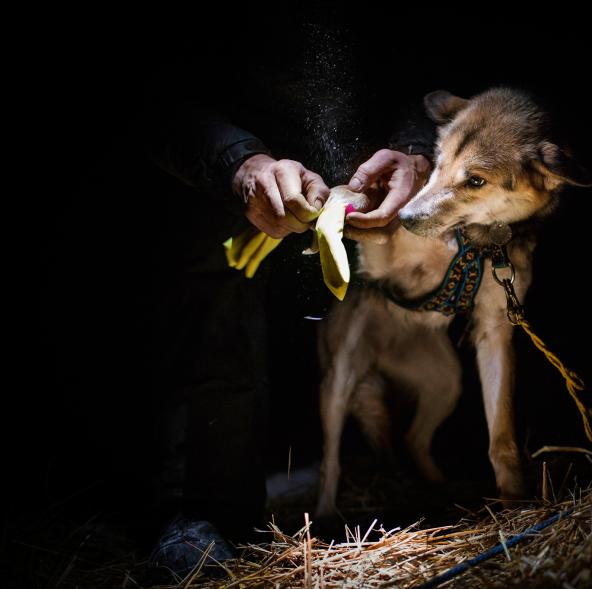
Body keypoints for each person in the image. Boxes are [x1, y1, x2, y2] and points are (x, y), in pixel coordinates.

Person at [142, 19, 435, 577]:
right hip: (232, 159)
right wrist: (240, 165)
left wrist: (416, 153)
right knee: (214, 286)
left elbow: (431, 69)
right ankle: (200, 515)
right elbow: (156, 99)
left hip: (373, 167)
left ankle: (422, 474)